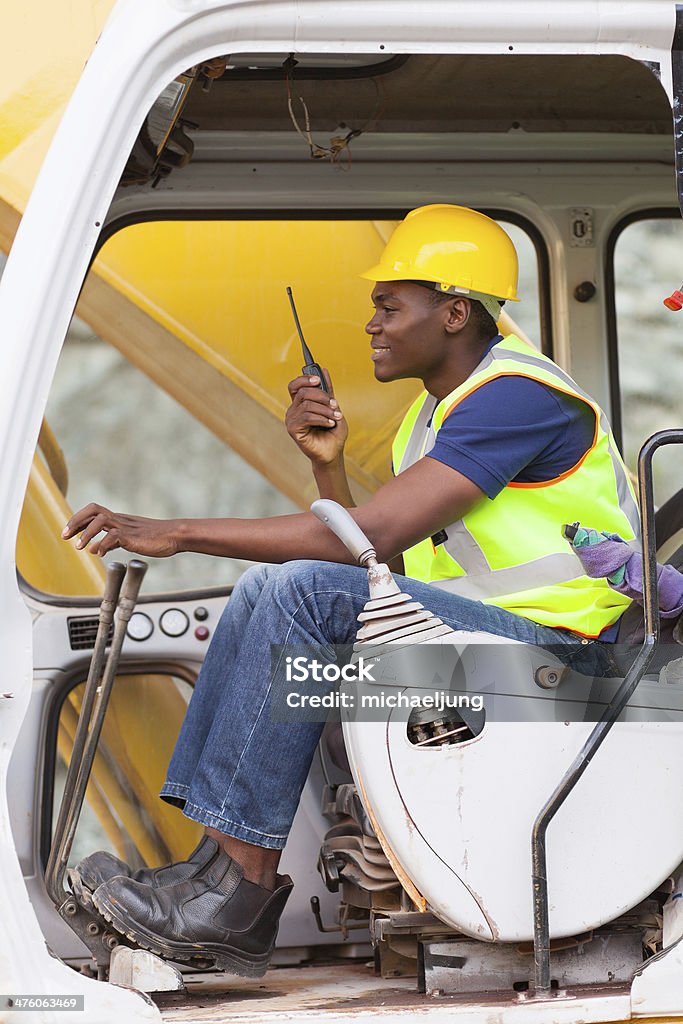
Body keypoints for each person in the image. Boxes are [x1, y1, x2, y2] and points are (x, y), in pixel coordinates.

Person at [61, 204, 639, 977]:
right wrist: (327, 466)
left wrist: (173, 532)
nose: (371, 324)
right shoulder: (433, 418)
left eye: (387, 306)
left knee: (296, 588)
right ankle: (214, 872)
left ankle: (236, 891)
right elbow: (384, 575)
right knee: (280, 588)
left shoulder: (517, 398)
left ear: (455, 311)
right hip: (489, 644)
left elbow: (361, 542)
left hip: (565, 657)